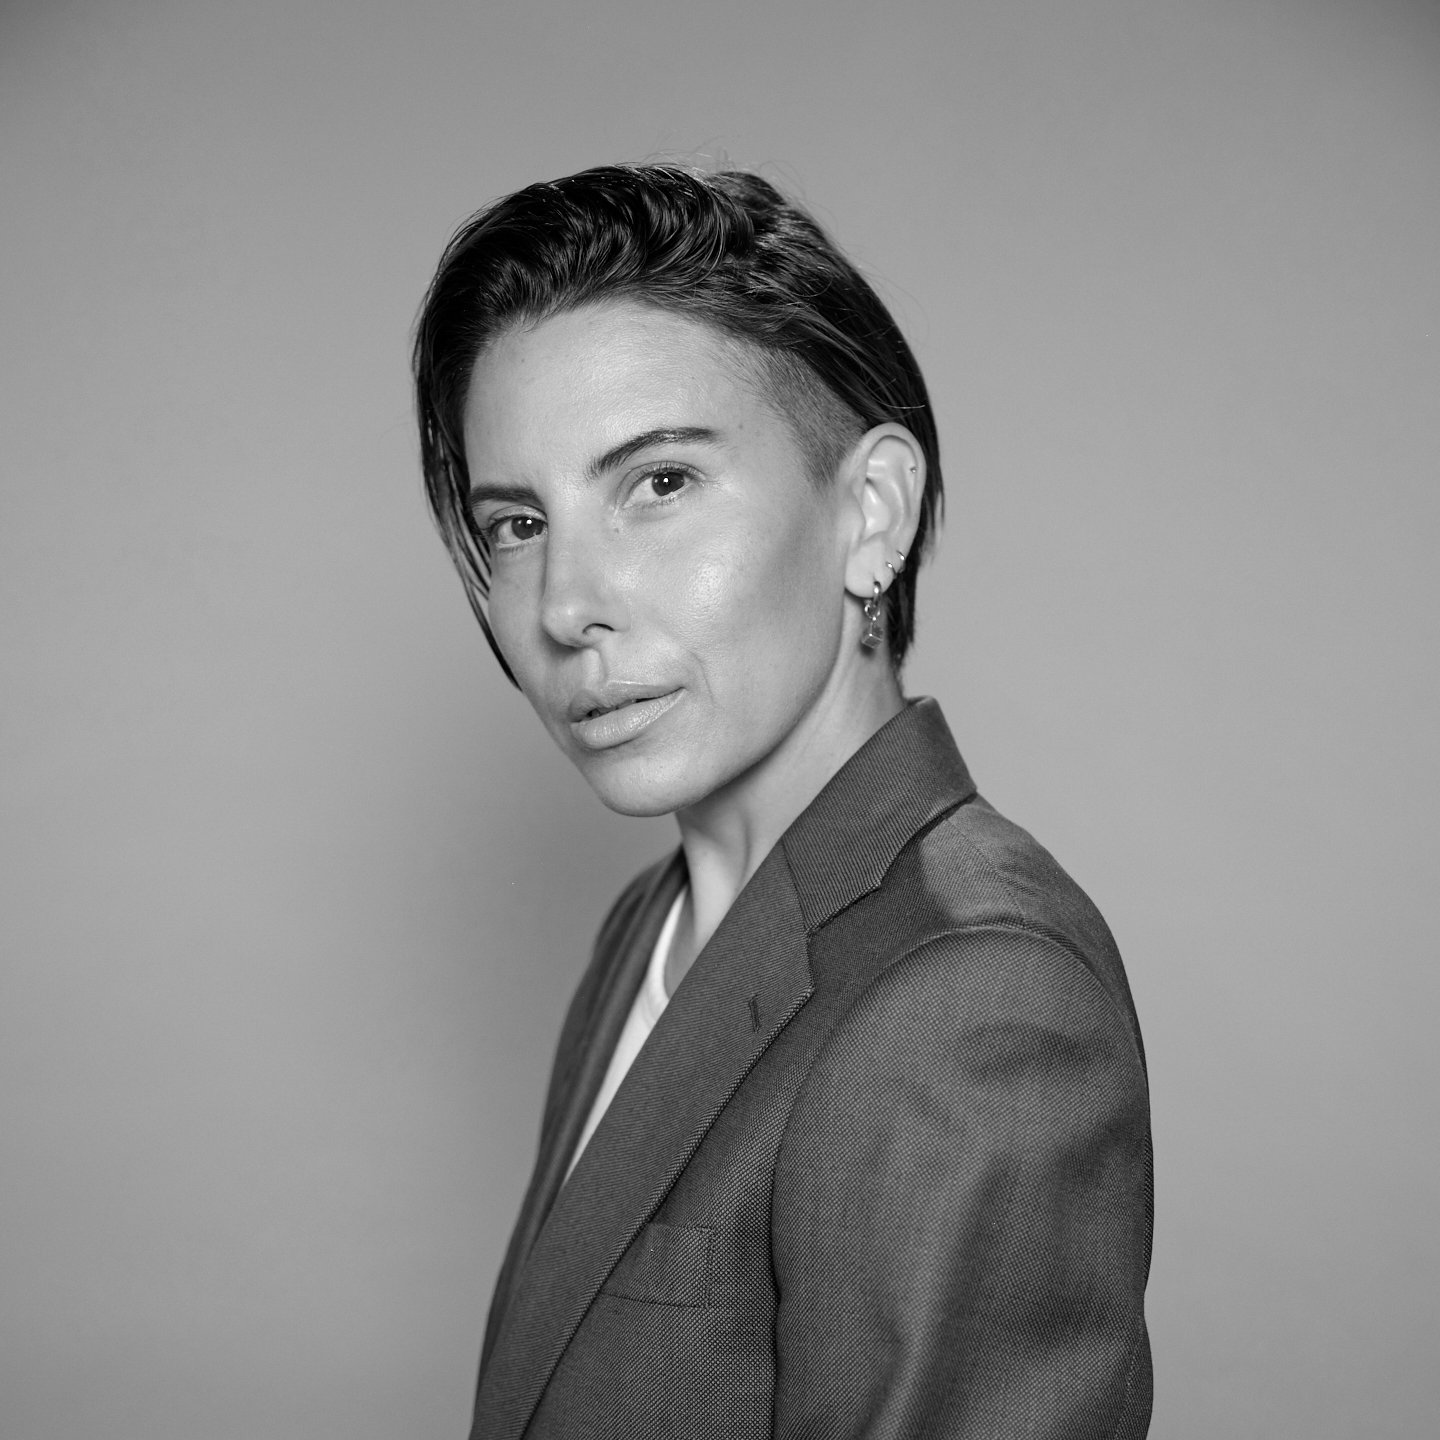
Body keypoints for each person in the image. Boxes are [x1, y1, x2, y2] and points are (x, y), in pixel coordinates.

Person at [412, 164, 1153, 1440]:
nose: (565, 605)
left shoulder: (974, 1002)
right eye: (519, 524)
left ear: (871, 514)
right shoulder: (650, 929)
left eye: (658, 485)